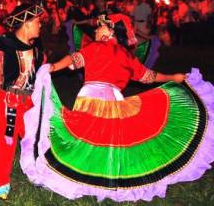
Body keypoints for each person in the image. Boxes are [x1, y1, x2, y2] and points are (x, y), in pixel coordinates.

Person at [20, 13, 214, 202]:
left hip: (91, 99)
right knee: (109, 144)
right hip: (115, 103)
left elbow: (74, 59)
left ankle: (81, 174)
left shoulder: (95, 47)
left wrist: (53, 67)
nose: (96, 30)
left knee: (85, 141)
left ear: (110, 31)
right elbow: (150, 76)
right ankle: (106, 177)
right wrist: (173, 77)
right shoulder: (126, 56)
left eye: (100, 26)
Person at [0, 3, 46, 199]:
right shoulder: (4, 43)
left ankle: (34, 172)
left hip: (29, 101)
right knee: (7, 140)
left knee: (33, 138)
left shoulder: (36, 47)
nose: (40, 26)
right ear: (26, 24)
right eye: (37, 22)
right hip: (10, 101)